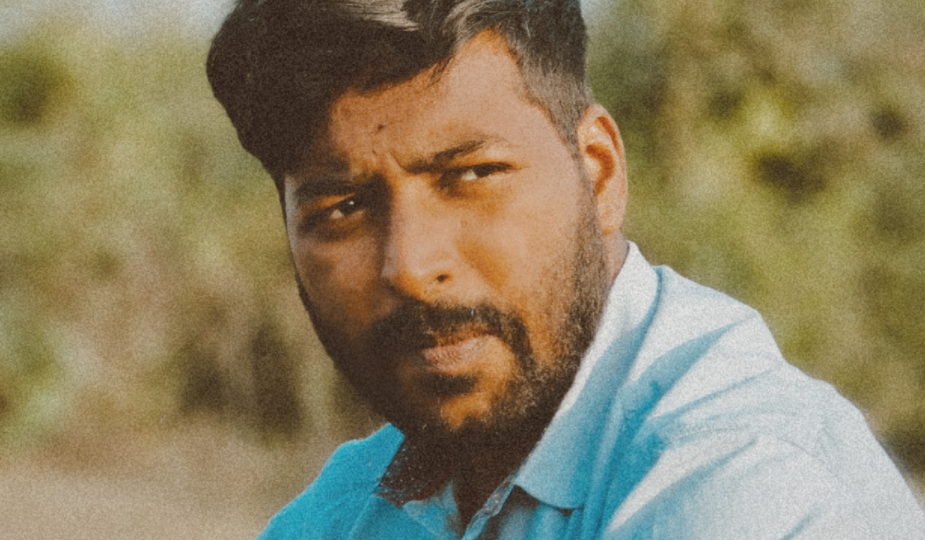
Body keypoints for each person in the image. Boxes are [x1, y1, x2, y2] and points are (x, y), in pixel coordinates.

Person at [206, 0, 925, 537]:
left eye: (472, 175)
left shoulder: (746, 484)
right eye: (342, 208)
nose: (412, 267)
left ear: (599, 174)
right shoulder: (350, 510)